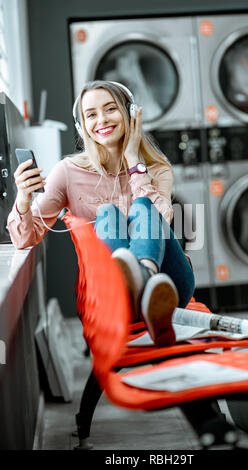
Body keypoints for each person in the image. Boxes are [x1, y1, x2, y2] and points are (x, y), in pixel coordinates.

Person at [7, 80, 195, 347]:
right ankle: (139, 287)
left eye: (110, 109)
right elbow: (24, 238)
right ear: (82, 126)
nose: (102, 120)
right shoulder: (68, 172)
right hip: (112, 292)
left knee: (145, 207)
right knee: (108, 213)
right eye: (91, 114)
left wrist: (134, 162)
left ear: (130, 113)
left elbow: (161, 221)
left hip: (170, 286)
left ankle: (146, 280)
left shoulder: (156, 168)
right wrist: (23, 199)